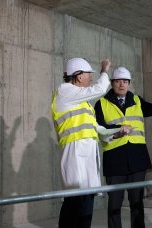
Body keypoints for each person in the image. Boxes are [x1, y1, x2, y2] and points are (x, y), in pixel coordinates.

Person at [94, 66, 152, 228]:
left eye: (125, 82)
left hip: (137, 159)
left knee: (137, 202)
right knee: (114, 203)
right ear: (112, 83)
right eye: (118, 81)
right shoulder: (101, 104)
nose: (122, 85)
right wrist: (117, 130)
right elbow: (99, 128)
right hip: (115, 159)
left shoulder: (136, 99)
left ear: (129, 84)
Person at [51, 57, 112, 228]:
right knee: (74, 204)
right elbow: (100, 88)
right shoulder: (64, 91)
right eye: (88, 75)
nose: (90, 78)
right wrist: (104, 71)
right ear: (78, 76)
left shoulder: (84, 103)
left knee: (86, 203)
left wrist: (116, 132)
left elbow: (96, 128)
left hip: (87, 156)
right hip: (74, 155)